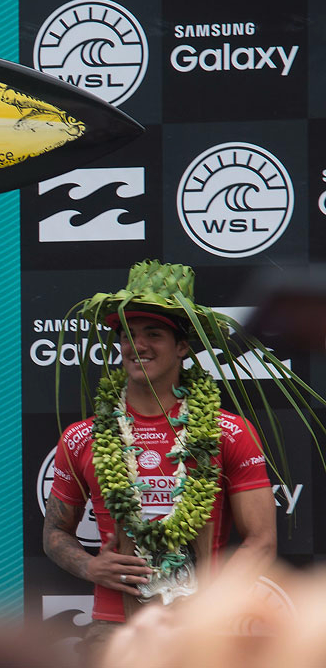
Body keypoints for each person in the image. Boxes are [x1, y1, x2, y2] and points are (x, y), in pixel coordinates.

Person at [42, 261, 277, 661]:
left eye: (154, 334)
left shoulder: (228, 431)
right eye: (128, 336)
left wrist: (211, 606)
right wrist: (89, 568)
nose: (138, 346)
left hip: (203, 629)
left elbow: (261, 540)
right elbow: (55, 533)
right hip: (115, 628)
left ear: (183, 346)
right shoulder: (82, 437)